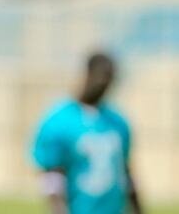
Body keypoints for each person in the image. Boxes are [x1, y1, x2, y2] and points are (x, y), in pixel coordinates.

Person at [31, 52, 142, 214]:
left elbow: (126, 173)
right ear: (86, 75)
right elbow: (52, 178)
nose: (103, 86)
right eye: (100, 79)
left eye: (108, 81)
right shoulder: (58, 120)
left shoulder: (118, 122)